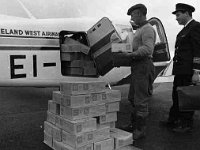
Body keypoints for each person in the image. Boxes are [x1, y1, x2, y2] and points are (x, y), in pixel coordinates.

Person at [160, 3, 200, 133]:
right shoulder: (184, 29)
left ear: (187, 13)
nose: (176, 18)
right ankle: (174, 119)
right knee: (177, 95)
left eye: (178, 15)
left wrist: (196, 71)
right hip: (181, 70)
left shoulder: (195, 27)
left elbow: (197, 51)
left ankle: (186, 123)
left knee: (186, 96)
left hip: (188, 70)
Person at [120, 4, 156, 140]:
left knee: (141, 100)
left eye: (133, 15)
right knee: (133, 98)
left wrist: (130, 55)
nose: (131, 18)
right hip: (137, 66)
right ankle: (133, 125)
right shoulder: (140, 30)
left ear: (140, 14)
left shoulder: (147, 29)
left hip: (143, 66)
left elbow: (148, 49)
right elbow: (136, 48)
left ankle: (140, 130)